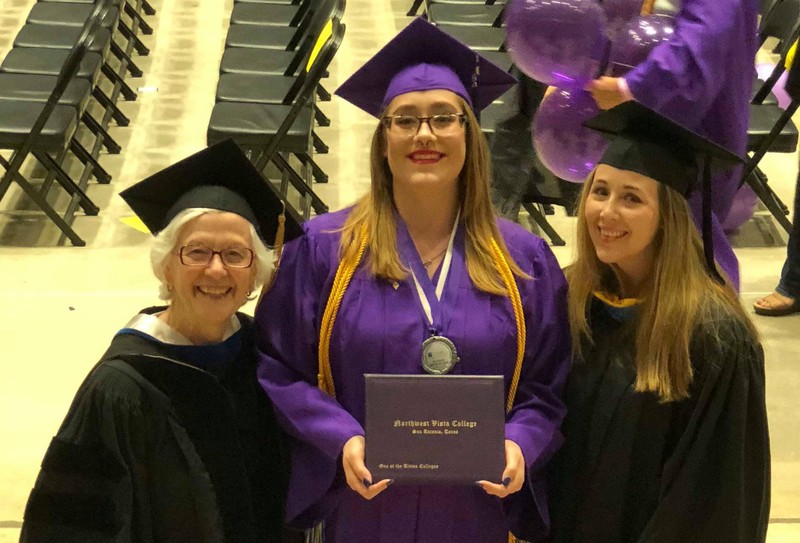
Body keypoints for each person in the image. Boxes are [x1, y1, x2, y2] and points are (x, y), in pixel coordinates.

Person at [255, 18, 571, 543]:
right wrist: (340, 440)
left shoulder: (525, 260)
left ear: (470, 136)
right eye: (405, 120)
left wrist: (520, 443)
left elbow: (548, 384)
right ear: (383, 141)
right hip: (365, 507)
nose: (425, 134)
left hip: (479, 508)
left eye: (444, 117)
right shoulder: (323, 248)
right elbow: (280, 367)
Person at [20, 140, 305, 543]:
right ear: (166, 266)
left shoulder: (262, 358)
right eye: (197, 251)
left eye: (235, 254)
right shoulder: (121, 388)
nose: (217, 270)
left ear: (254, 273)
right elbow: (71, 525)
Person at [547, 101, 771, 543]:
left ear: (668, 215)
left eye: (632, 198)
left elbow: (714, 502)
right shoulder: (569, 300)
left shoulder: (714, 336)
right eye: (600, 191)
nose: (606, 212)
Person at [586, 0, 760, 290]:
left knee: (691, 254)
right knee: (638, 255)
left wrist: (633, 87)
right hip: (649, 116)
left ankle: (716, 333)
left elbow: (706, 37)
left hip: (689, 125)